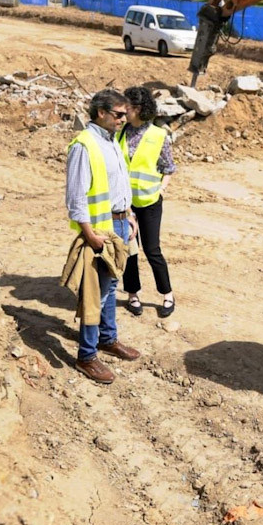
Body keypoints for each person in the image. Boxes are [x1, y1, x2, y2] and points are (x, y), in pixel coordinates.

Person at [65, 89, 141, 383]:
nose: (124, 119)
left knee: (111, 288)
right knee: (94, 293)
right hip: (99, 231)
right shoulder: (84, 145)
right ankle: (86, 356)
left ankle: (108, 339)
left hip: (120, 225)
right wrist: (90, 235)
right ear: (101, 113)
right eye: (118, 114)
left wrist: (130, 215)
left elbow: (119, 184)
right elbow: (76, 197)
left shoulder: (112, 141)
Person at [119, 86, 177, 319]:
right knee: (130, 250)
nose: (123, 112)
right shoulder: (120, 132)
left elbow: (169, 168)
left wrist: (161, 188)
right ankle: (133, 294)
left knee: (152, 250)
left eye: (127, 108)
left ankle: (167, 294)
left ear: (139, 109)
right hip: (125, 203)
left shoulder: (158, 135)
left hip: (150, 202)